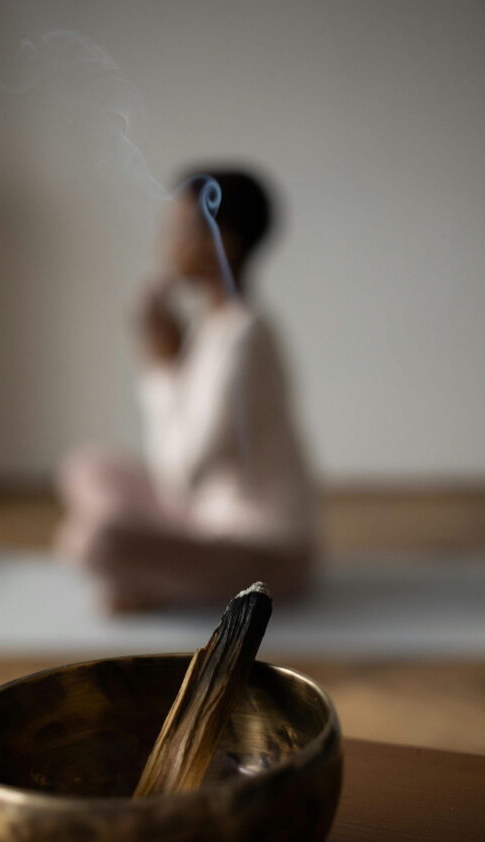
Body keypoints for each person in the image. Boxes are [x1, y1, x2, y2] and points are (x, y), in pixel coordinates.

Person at [54, 168, 318, 610]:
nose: (166, 245)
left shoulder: (246, 339)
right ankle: (159, 578)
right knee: (84, 465)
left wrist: (159, 368)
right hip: (204, 519)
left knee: (93, 542)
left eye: (179, 231)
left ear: (223, 243)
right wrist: (173, 360)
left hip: (268, 555)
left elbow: (179, 476)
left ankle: (159, 584)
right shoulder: (212, 330)